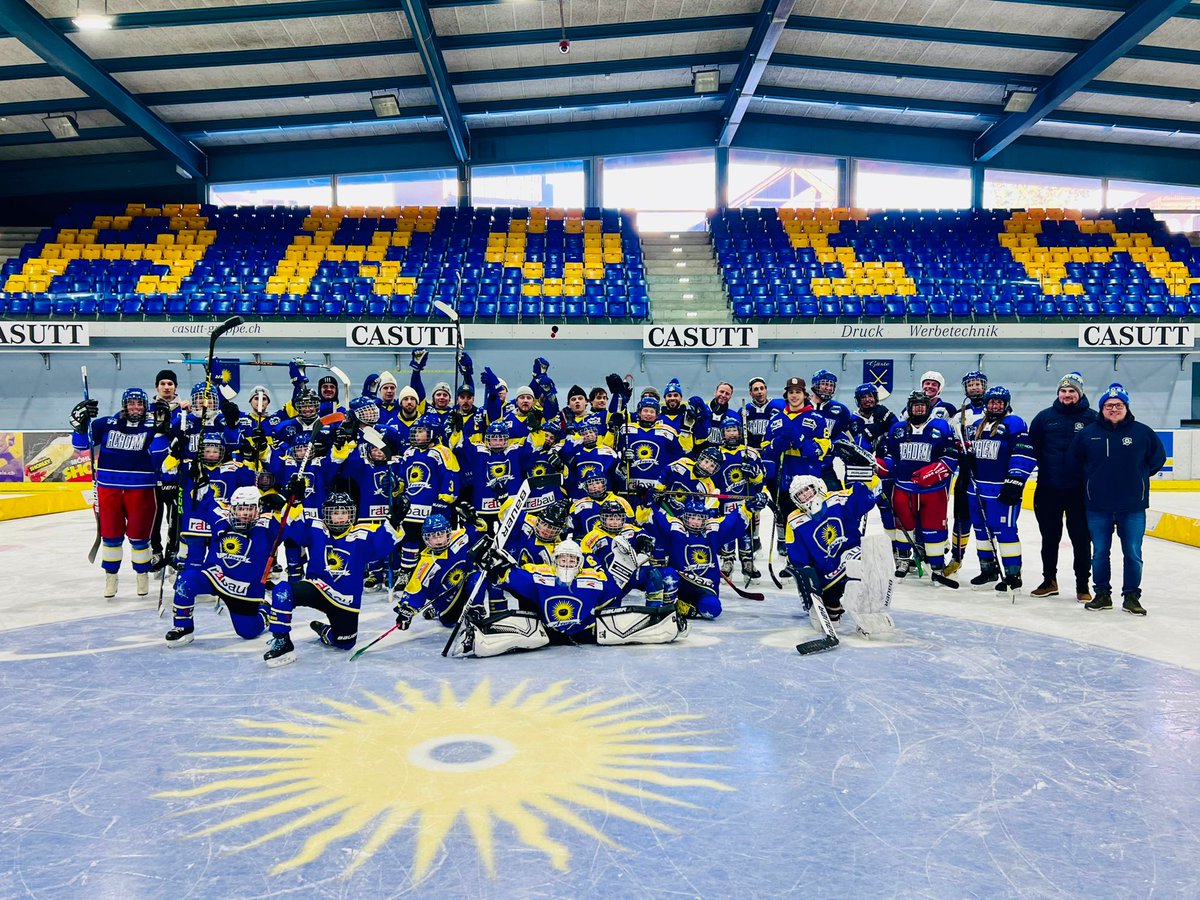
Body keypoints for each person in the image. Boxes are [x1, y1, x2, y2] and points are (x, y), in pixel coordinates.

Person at [1071, 383, 1165, 615]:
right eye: (1109, 405)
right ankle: (1102, 594)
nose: (1114, 409)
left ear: (1126, 407)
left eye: (1119, 405)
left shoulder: (1142, 432)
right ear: (1102, 408)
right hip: (1097, 506)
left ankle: (1131, 596)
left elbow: (1157, 460)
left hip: (1132, 506)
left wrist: (1138, 478)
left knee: (1133, 552)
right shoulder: (1088, 434)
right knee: (1100, 552)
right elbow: (1075, 462)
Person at [70, 387, 167, 598]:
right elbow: (80, 447)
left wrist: (161, 430)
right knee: (111, 536)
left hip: (141, 490)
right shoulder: (105, 423)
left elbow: (159, 456)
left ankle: (142, 577)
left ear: (145, 406)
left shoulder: (152, 425)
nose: (135, 407)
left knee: (140, 537)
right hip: (108, 488)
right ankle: (111, 577)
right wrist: (80, 426)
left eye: (139, 403)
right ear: (124, 405)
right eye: (131, 403)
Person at [1028, 372, 1098, 602]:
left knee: (1081, 538)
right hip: (1049, 489)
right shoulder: (1044, 418)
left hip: (1079, 492)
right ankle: (1049, 581)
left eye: (1072, 391)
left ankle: (1082, 585)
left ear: (1080, 393)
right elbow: (1032, 450)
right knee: (1049, 537)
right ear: (1058, 393)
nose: (1067, 395)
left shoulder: (1093, 419)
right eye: (1063, 391)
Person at [877, 390, 959, 587]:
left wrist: (934, 471)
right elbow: (891, 457)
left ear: (928, 407)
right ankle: (903, 561)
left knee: (934, 528)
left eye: (922, 405)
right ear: (910, 408)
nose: (919, 409)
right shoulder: (897, 429)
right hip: (903, 488)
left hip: (933, 491)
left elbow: (951, 456)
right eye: (915, 406)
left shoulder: (942, 427)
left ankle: (937, 566)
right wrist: (881, 465)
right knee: (903, 527)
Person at [963, 386, 1035, 593]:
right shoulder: (977, 425)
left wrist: (1015, 480)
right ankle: (988, 570)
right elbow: (970, 452)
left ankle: (1013, 574)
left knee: (1005, 531)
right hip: (976, 488)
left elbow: (1023, 453)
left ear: (1006, 404)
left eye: (999, 402)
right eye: (992, 402)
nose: (995, 405)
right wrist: (967, 459)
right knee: (981, 530)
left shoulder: (1014, 423)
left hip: (1001, 490)